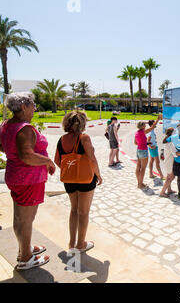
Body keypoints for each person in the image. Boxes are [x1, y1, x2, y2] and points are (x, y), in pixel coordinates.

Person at [0, 93, 55, 270]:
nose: (35, 108)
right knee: (26, 220)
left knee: (20, 216)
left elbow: (4, 146)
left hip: (15, 176)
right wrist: (47, 161)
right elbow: (27, 156)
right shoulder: (24, 128)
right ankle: (25, 258)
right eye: (33, 105)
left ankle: (26, 247)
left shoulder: (6, 125)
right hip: (28, 180)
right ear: (23, 107)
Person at [54, 111, 103, 253]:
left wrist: (70, 169)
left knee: (74, 210)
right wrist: (98, 175)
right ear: (81, 123)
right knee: (84, 212)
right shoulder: (84, 138)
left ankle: (71, 242)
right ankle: (81, 244)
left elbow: (57, 160)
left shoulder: (62, 139)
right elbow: (92, 159)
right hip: (86, 179)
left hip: (69, 180)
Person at [134, 115, 162, 189]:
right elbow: (152, 127)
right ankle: (140, 185)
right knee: (143, 168)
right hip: (143, 151)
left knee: (138, 167)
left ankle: (139, 183)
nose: (145, 126)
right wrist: (158, 119)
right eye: (144, 125)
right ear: (142, 126)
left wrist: (144, 143)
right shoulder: (143, 132)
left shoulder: (137, 133)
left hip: (138, 150)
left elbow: (135, 143)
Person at [159, 127, 180, 197]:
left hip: (168, 161)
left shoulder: (167, 140)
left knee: (169, 176)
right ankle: (162, 192)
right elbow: (175, 153)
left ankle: (169, 190)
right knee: (170, 177)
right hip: (169, 162)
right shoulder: (171, 143)